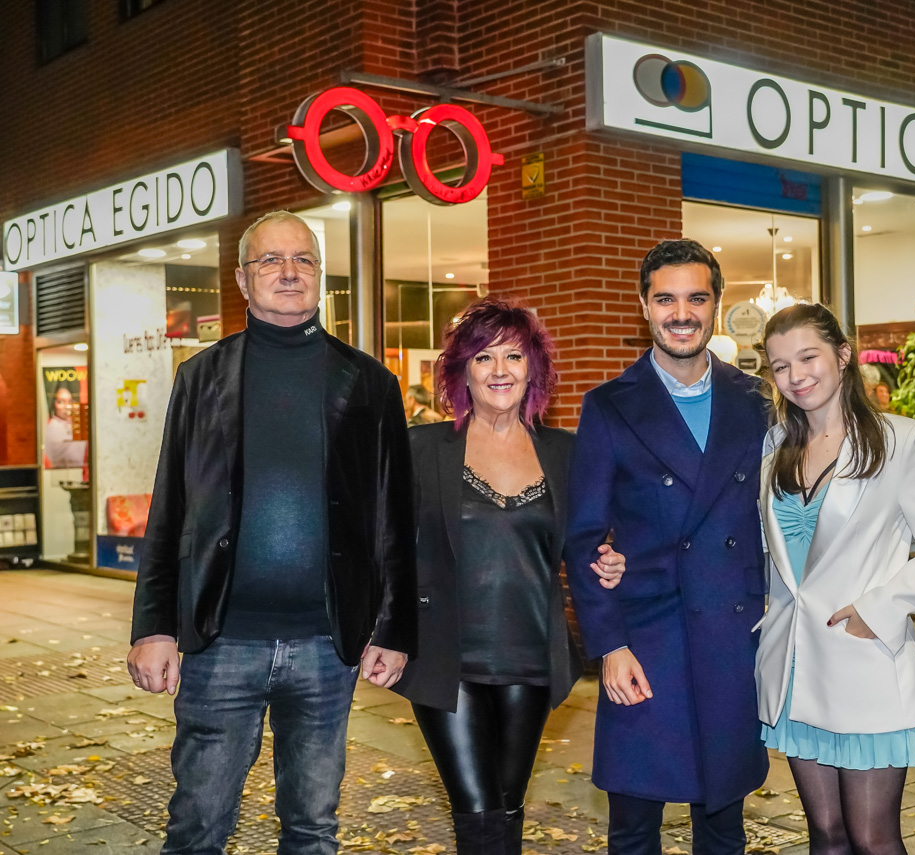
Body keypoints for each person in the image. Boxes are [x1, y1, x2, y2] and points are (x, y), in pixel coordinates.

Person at [127, 210, 416, 855]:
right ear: (241, 278)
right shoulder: (201, 378)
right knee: (198, 825)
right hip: (219, 641)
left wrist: (394, 629)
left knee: (313, 828)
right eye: (271, 261)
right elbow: (169, 510)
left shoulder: (369, 383)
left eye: (303, 260)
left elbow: (393, 517)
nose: (289, 272)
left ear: (320, 276)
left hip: (325, 643)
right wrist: (153, 624)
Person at [393, 298, 625, 855]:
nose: (500, 370)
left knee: (509, 802)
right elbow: (389, 549)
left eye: (514, 356)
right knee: (476, 811)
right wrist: (386, 634)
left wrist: (612, 558)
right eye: (484, 357)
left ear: (533, 368)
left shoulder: (566, 453)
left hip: (531, 656)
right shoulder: (420, 449)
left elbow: (588, 542)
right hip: (447, 659)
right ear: (461, 372)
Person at [565, 239, 770, 855]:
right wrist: (609, 645)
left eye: (696, 298)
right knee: (632, 826)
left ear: (716, 304)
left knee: (723, 826)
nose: (681, 313)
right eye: (666, 299)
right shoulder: (608, 406)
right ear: (644, 306)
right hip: (646, 641)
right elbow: (581, 540)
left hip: (734, 636)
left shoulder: (756, 399)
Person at [754, 302, 915, 855]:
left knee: (872, 838)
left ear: (843, 355)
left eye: (808, 357)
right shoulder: (775, 447)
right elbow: (774, 555)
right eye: (780, 366)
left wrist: (879, 610)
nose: (796, 375)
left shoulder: (900, 442)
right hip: (793, 669)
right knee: (825, 836)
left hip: (863, 662)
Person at [44, 385, 87, 468]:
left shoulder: (80, 425)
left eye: (70, 401)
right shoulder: (50, 428)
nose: (67, 406)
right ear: (54, 403)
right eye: (61, 402)